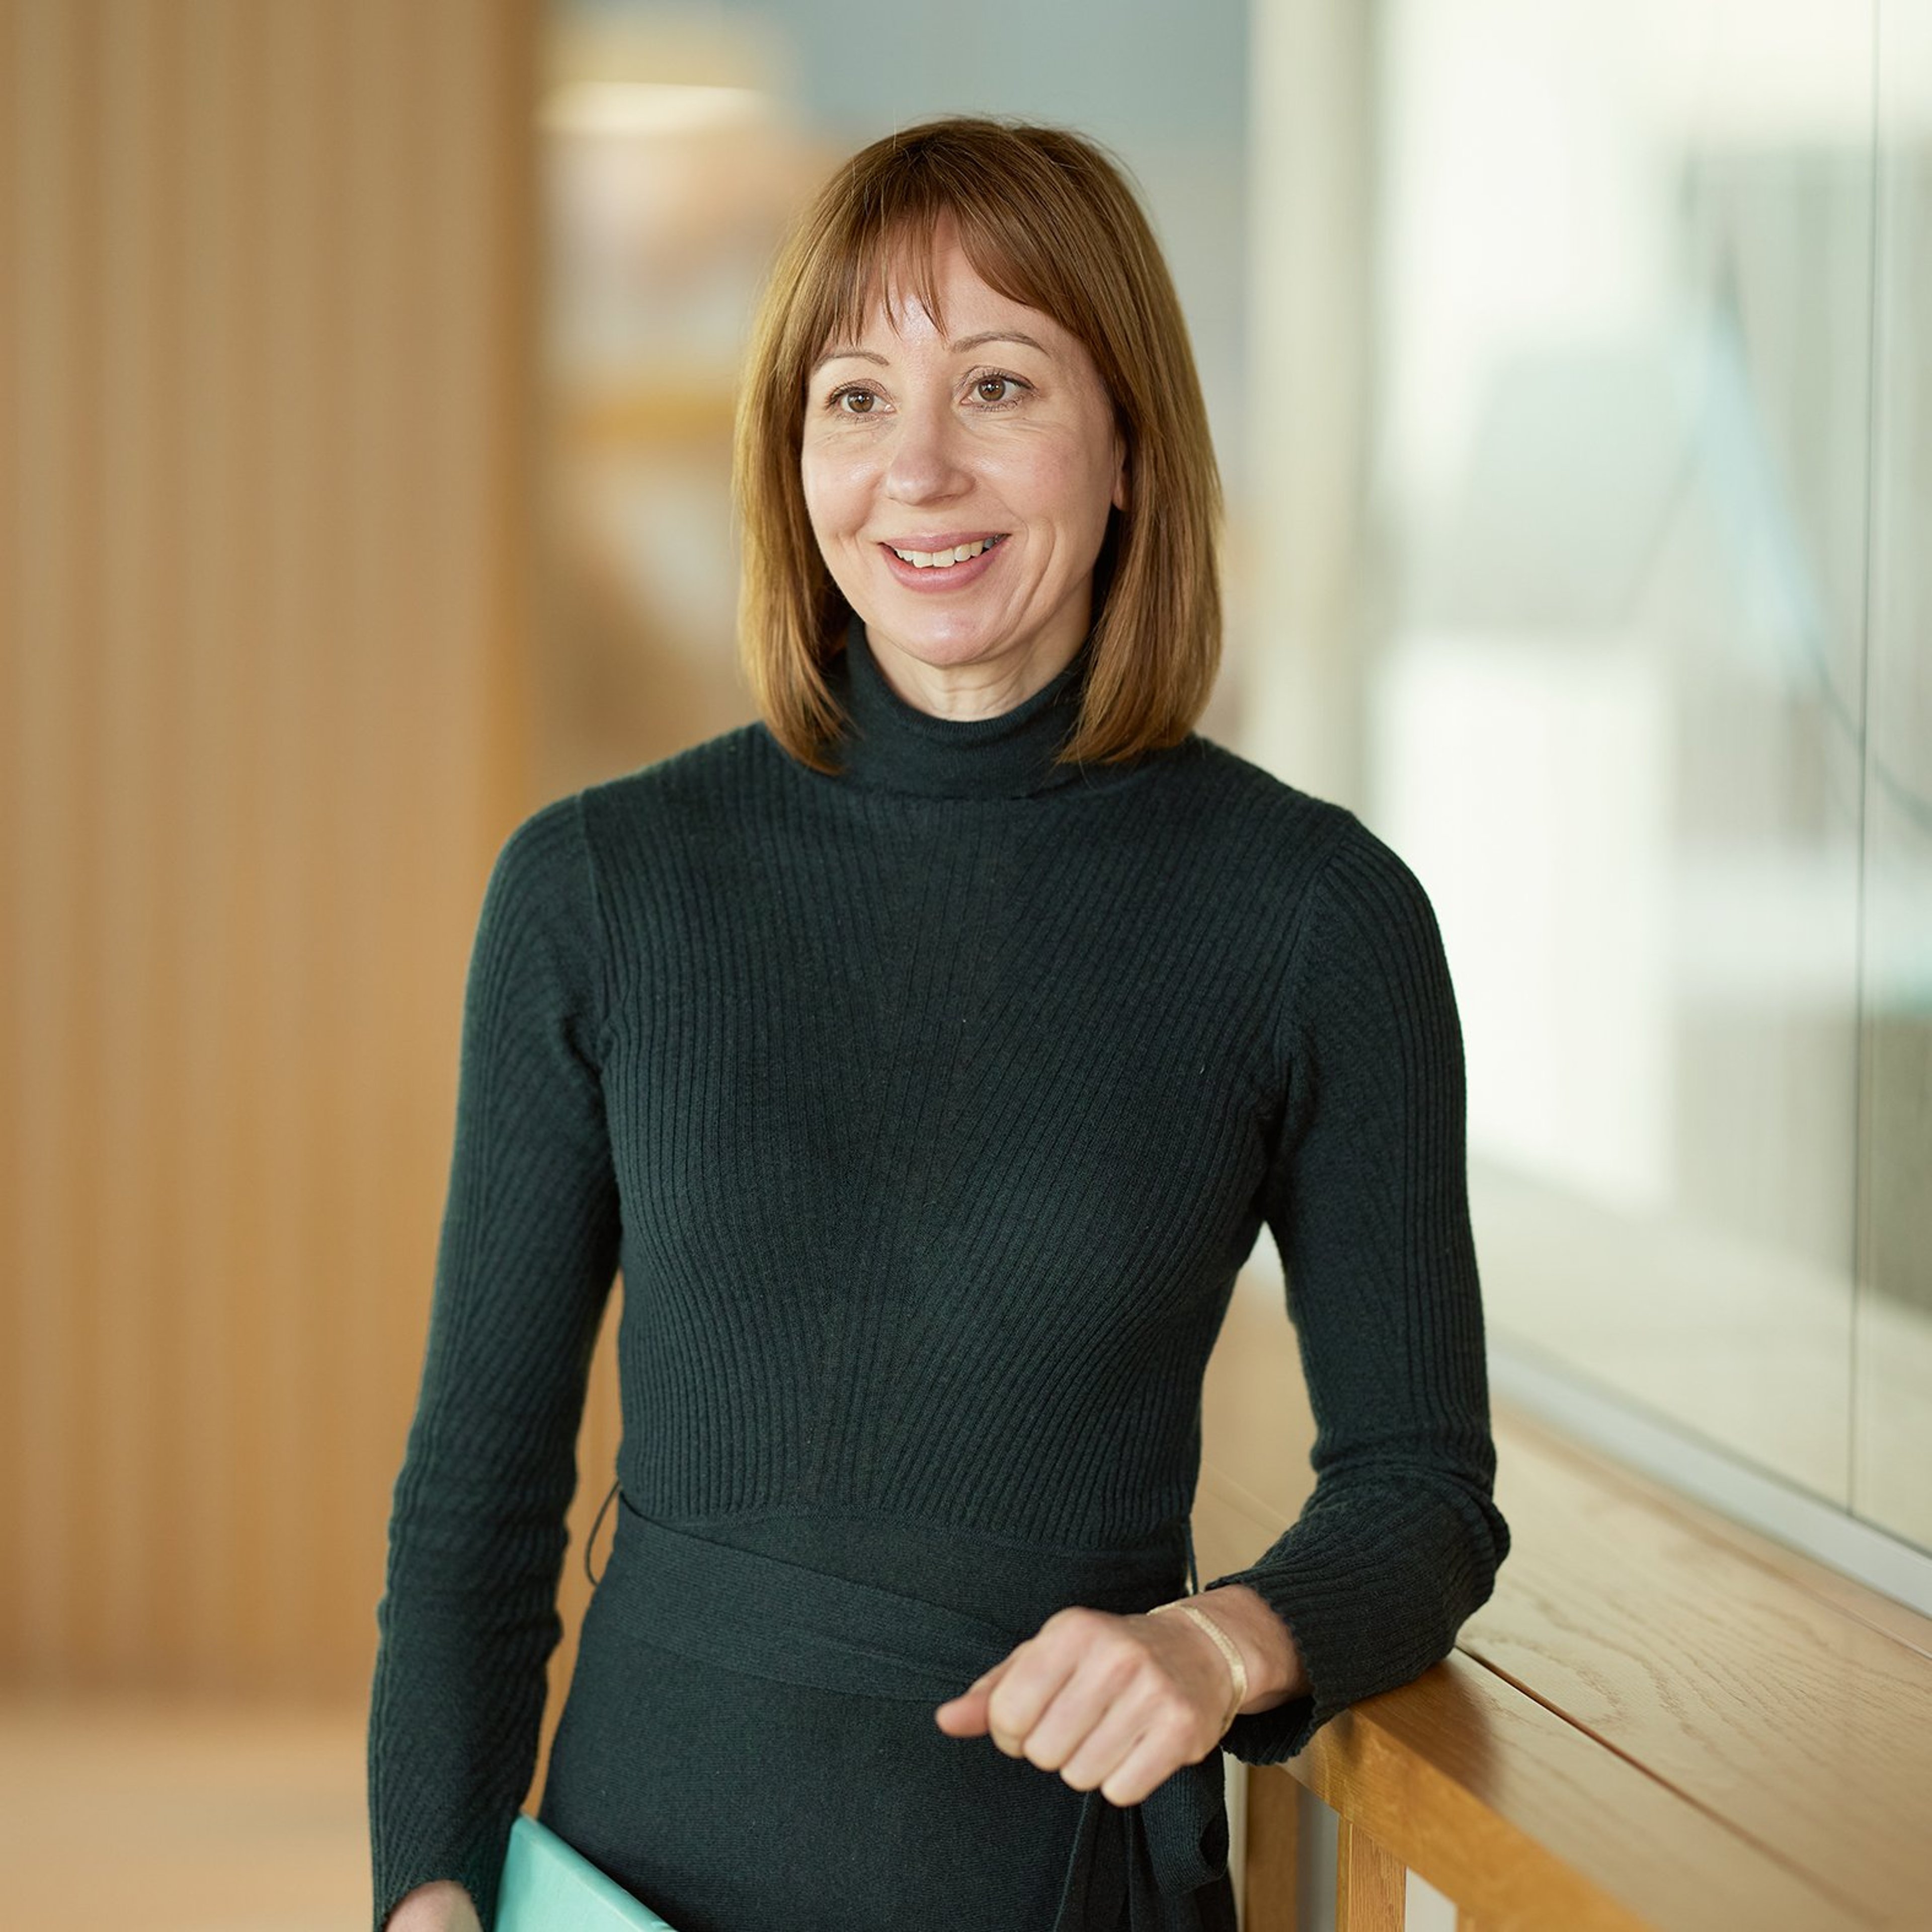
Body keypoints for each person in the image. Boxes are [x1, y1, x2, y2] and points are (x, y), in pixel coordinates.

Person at [367, 115, 1509, 1932]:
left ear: (1128, 444)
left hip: (1047, 1881)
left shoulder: (1313, 919)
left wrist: (1220, 1649)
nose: (918, 471)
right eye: (853, 398)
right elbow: (479, 1499)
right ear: (790, 454)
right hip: (629, 1884)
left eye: (996, 386)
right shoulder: (600, 887)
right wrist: (429, 1895)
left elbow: (1425, 1492)